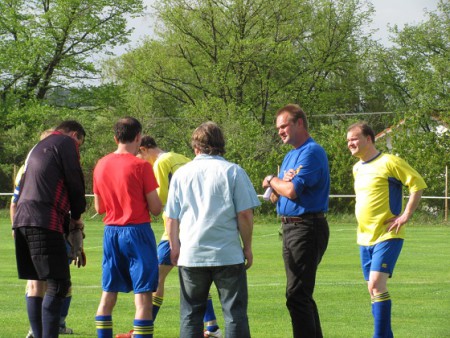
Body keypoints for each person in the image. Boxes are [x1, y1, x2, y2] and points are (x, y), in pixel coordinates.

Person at [116, 136, 222, 338]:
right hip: (193, 226)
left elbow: (161, 197)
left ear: (145, 149)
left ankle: (142, 329)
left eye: (139, 154)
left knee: (155, 277)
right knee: (192, 278)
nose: (140, 160)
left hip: (175, 229)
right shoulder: (181, 157)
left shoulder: (161, 163)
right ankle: (212, 327)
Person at [166, 121, 260, 338]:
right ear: (221, 143)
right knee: (234, 314)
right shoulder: (233, 172)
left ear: (195, 146)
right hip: (227, 253)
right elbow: (245, 214)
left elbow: (172, 218)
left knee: (191, 315)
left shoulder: (181, 174)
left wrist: (174, 246)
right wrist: (247, 247)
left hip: (192, 254)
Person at [346, 122, 427, 337]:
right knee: (373, 291)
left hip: (388, 234)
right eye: (348, 141)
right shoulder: (356, 168)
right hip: (364, 238)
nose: (350, 144)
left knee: (376, 285)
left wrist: (406, 215)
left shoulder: (389, 162)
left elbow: (417, 183)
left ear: (369, 138)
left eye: (354, 138)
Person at [12, 121, 87, 338]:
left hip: (23, 221)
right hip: (45, 220)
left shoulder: (37, 147)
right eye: (79, 144)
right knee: (59, 284)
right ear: (74, 135)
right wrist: (76, 216)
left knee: (37, 283)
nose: (78, 150)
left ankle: (37, 334)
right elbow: (75, 180)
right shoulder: (65, 142)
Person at [262, 104, 330, 338]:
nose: (280, 131)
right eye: (278, 127)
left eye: (284, 125)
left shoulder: (311, 152)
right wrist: (277, 185)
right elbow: (275, 195)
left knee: (297, 295)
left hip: (306, 227)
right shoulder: (291, 155)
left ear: (299, 122)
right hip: (292, 228)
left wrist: (272, 179)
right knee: (301, 295)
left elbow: (290, 191)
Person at [93, 117, 162, 338]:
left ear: (115, 138)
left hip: (111, 232)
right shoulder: (141, 166)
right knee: (143, 298)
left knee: (108, 295)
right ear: (138, 137)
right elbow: (156, 208)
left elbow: (99, 206)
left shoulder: (101, 164)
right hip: (137, 231)